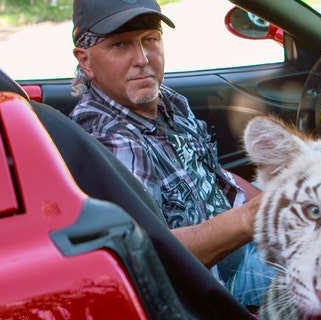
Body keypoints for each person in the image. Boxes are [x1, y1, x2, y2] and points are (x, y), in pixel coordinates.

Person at [68, 0, 273, 307]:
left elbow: (211, 174)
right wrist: (252, 218)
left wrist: (271, 203)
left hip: (241, 247)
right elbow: (153, 256)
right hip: (215, 286)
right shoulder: (113, 140)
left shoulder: (169, 102)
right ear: (85, 60)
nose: (141, 59)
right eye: (119, 44)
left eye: (150, 39)